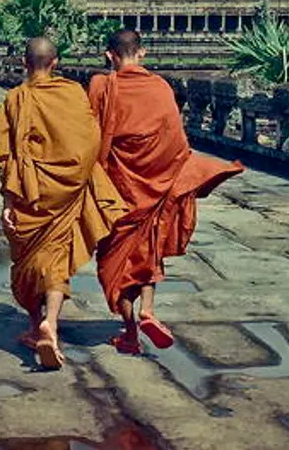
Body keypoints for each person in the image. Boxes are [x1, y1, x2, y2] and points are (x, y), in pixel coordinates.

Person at [88, 29, 245, 355]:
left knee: (113, 265)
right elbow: (176, 143)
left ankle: (130, 332)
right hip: (157, 186)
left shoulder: (102, 86)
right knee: (149, 252)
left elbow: (90, 137)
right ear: (142, 53)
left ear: (109, 55)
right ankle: (147, 311)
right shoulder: (160, 87)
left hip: (119, 191)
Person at [0, 37, 128, 369]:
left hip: (28, 192)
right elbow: (90, 140)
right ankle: (51, 322)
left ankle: (37, 325)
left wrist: (9, 198)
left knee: (26, 262)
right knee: (57, 258)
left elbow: (2, 151)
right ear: (55, 63)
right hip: (65, 192)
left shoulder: (15, 99)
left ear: (24, 64)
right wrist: (77, 179)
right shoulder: (73, 94)